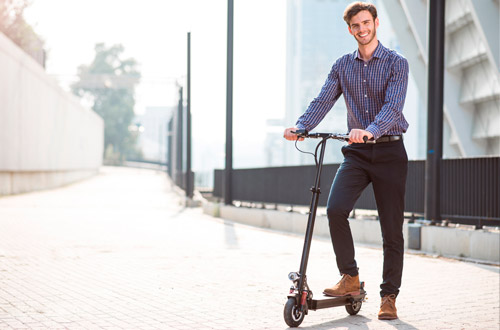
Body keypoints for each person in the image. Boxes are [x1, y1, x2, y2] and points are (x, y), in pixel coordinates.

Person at [283, 1, 409, 321]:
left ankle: (389, 297)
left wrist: (370, 130)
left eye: (366, 23)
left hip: (390, 152)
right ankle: (350, 277)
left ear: (376, 23)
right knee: (335, 209)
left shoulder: (397, 63)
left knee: (391, 230)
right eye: (356, 25)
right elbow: (324, 98)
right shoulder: (343, 65)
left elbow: (394, 107)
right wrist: (302, 127)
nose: (362, 29)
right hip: (357, 153)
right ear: (350, 29)